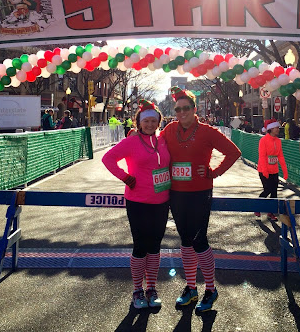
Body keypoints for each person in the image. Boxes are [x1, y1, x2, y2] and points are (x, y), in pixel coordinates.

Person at [160, 86, 241, 313]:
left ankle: (211, 289)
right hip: (176, 193)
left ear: (194, 109)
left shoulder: (207, 131)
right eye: (178, 109)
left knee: (199, 240)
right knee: (185, 240)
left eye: (186, 108)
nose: (182, 112)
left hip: (199, 192)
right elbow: (154, 145)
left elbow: (233, 152)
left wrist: (214, 172)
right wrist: (135, 137)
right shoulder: (169, 129)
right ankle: (190, 287)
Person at [102, 100, 170, 308]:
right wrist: (125, 177)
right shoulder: (131, 141)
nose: (149, 124)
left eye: (153, 121)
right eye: (146, 121)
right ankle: (137, 290)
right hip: (138, 201)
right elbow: (108, 159)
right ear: (139, 123)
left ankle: (152, 288)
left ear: (159, 122)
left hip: (161, 201)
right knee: (140, 246)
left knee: (155, 246)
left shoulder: (163, 140)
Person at [255, 119, 288, 220]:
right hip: (263, 170)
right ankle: (257, 207)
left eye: (278, 127)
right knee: (267, 190)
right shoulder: (263, 140)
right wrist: (265, 171)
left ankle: (271, 212)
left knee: (274, 192)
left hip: (274, 170)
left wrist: (285, 171)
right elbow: (262, 156)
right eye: (276, 128)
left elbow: (280, 156)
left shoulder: (278, 141)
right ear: (270, 129)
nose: (278, 129)